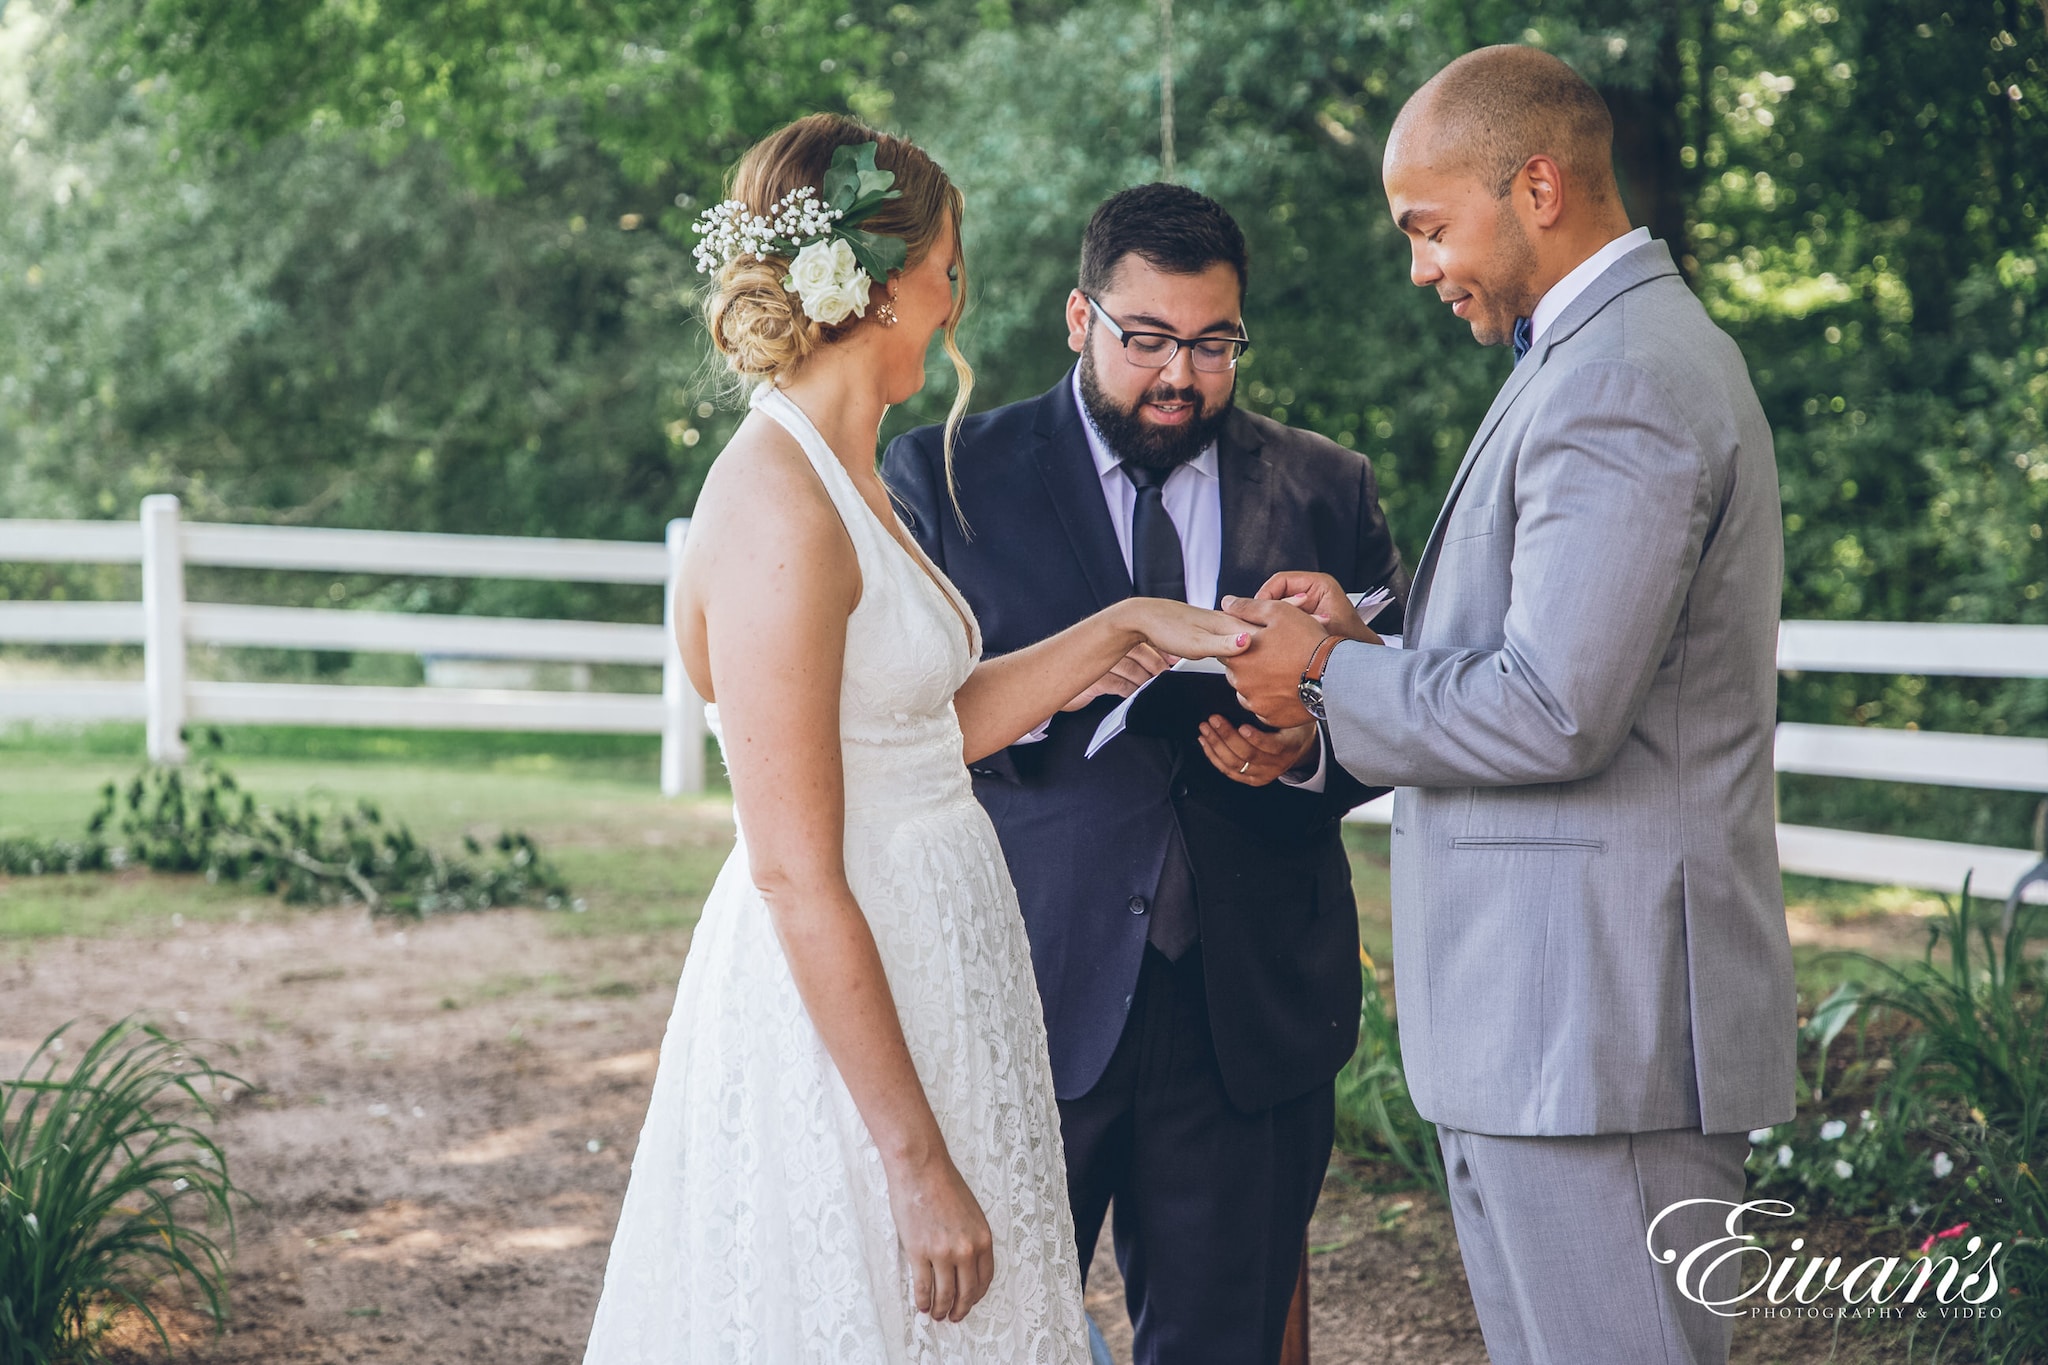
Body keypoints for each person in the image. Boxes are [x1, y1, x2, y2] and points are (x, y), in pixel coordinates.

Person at [580, 115, 1251, 1365]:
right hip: (850, 990)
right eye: (949, 264)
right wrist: (915, 1158)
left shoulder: (853, 475)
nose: (957, 296)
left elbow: (917, 731)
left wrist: (1120, 630)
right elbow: (791, 866)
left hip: (939, 967)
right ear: (882, 285)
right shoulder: (777, 503)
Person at [1221, 46, 1797, 1365]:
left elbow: (1554, 709)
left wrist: (1320, 674)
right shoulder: (1589, 357)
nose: (1423, 265)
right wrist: (1368, 636)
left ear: (1535, 185)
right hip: (1549, 1027)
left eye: (1430, 228)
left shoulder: (1624, 378)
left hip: (1600, 1035)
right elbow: (1555, 651)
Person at [883, 183, 1408, 1365]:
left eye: (1213, 344)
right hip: (1025, 987)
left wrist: (1308, 744)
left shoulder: (1327, 485)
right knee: (992, 1342)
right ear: (1079, 319)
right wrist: (1057, 687)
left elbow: (1413, 705)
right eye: (1148, 340)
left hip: (1248, 1009)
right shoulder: (945, 473)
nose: (1181, 376)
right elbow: (895, 720)